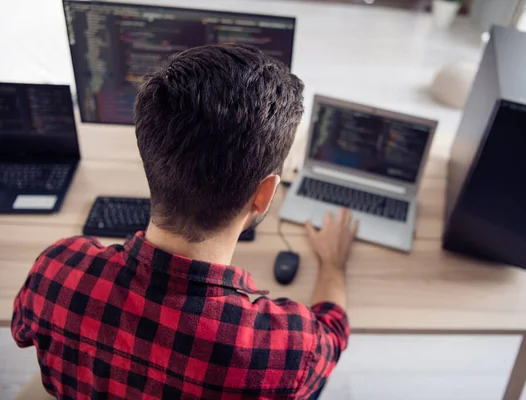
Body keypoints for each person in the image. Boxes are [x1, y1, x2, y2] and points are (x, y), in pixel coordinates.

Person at [11, 44, 358, 400]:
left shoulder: (57, 271)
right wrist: (333, 264)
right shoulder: (286, 349)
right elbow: (333, 331)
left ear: (150, 156)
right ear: (264, 193)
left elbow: (23, 333)